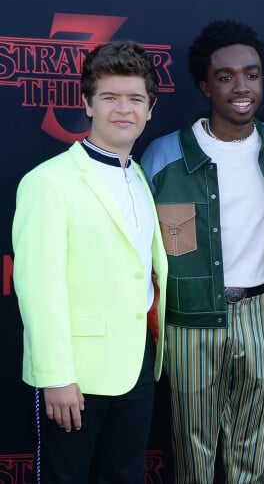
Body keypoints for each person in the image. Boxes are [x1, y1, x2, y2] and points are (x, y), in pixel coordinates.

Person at [140, 20, 264, 484]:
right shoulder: (164, 156)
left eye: (251, 74)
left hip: (262, 311)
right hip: (189, 319)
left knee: (255, 442)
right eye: (226, 76)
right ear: (205, 85)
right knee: (193, 444)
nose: (241, 86)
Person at [12, 40, 167, 484]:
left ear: (150, 108)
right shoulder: (48, 182)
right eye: (110, 97)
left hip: (137, 368)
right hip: (75, 377)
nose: (124, 109)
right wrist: (56, 376)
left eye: (136, 99)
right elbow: (39, 289)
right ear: (88, 104)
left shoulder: (138, 175)